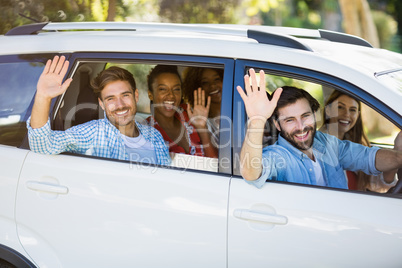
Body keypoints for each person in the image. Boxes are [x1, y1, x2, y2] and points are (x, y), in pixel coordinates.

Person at [236, 68, 402, 189]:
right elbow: (251, 173)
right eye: (290, 120)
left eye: (305, 116)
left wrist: (399, 157)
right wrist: (257, 119)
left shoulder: (326, 143)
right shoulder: (279, 156)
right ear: (277, 125)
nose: (301, 127)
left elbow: (368, 157)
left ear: (315, 115)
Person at [27, 56, 171, 165]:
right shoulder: (93, 133)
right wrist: (43, 97)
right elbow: (43, 146)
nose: (120, 105)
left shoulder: (154, 136)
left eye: (125, 95)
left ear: (136, 96)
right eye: (110, 99)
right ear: (101, 104)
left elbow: (167, 177)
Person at [319, 90, 398, 191]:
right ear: (328, 110)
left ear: (358, 114)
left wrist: (398, 148)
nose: (346, 114)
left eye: (352, 110)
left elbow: (381, 182)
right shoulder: (318, 148)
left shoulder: (356, 146)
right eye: (340, 107)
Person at [145, 65, 218, 158]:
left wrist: (202, 128)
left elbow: (216, 164)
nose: (171, 95)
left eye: (176, 89)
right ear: (150, 94)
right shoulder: (146, 132)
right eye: (163, 89)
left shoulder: (189, 115)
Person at [182, 67, 223, 147]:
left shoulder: (241, 110)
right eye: (205, 82)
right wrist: (202, 127)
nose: (212, 85)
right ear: (196, 88)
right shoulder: (196, 118)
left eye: (217, 79)